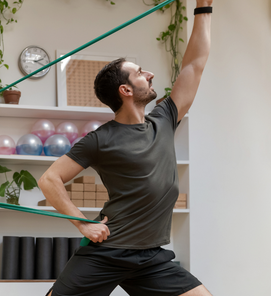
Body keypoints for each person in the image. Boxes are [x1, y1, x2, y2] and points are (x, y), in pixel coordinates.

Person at [38, 1, 213, 295]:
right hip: (108, 252)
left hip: (150, 256)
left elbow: (194, 65)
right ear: (126, 90)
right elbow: (49, 179)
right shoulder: (100, 139)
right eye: (141, 72)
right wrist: (83, 224)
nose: (150, 75)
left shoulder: (165, 118)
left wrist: (204, 8)